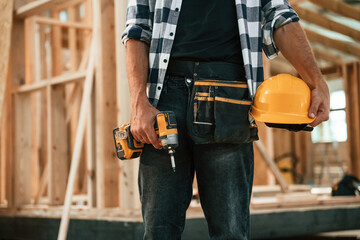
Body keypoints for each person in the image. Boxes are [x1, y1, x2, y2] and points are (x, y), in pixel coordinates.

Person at [122, 0, 330, 239]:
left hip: (228, 99)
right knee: (159, 232)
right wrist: (139, 103)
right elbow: (138, 29)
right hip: (164, 100)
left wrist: (318, 82)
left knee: (231, 233)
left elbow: (280, 17)